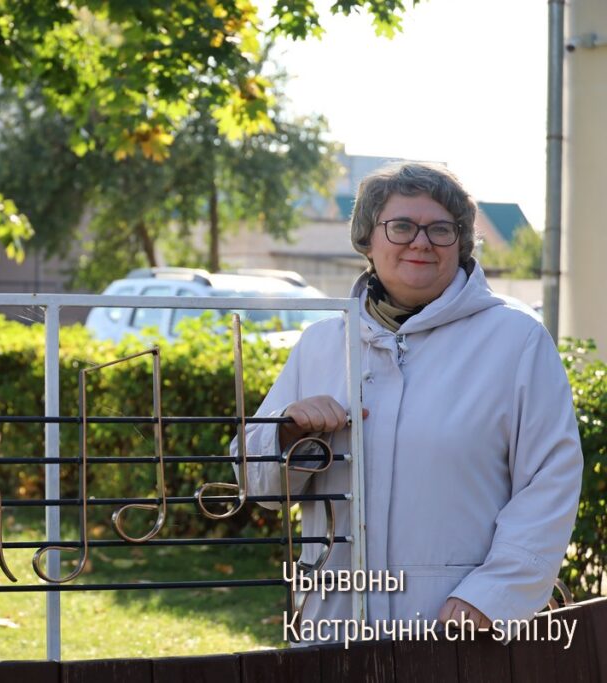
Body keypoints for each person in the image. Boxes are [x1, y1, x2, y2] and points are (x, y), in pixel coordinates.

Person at [238, 162, 583, 641]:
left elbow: (551, 479)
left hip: (458, 626)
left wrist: (493, 595)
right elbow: (257, 486)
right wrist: (288, 433)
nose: (421, 243)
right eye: (401, 226)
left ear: (461, 243)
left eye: (441, 229)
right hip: (333, 621)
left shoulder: (516, 340)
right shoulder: (321, 344)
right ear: (367, 238)